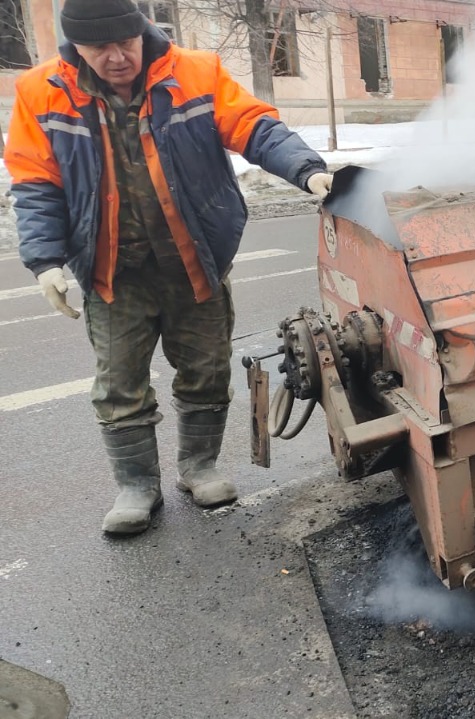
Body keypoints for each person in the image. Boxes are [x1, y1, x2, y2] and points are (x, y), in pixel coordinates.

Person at [4, 0, 334, 535]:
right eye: (99, 48)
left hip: (192, 261)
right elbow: (36, 182)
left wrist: (306, 170)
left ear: (141, 32)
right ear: (76, 48)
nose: (116, 58)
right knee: (119, 384)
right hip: (115, 272)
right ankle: (136, 486)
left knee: (206, 371)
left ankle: (199, 467)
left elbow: (253, 127)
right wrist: (44, 261)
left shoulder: (194, 72)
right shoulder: (42, 91)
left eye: (125, 43)